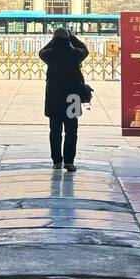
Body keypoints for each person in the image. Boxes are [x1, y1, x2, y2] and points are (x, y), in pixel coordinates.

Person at [39, 26, 88, 171]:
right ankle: (69, 161)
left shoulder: (50, 54)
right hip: (72, 98)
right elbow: (85, 49)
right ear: (68, 39)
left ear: (54, 39)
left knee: (55, 132)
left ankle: (56, 161)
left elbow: (41, 51)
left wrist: (53, 40)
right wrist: (72, 37)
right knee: (71, 131)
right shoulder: (75, 54)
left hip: (54, 99)